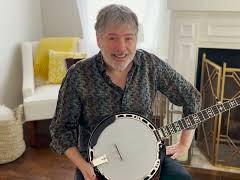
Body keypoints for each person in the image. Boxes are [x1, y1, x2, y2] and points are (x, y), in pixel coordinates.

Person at [49, 4, 201, 180]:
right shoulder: (78, 75)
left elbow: (191, 96)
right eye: (112, 38)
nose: (121, 48)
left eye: (128, 38)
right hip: (97, 164)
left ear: (136, 39)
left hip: (146, 156)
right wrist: (82, 165)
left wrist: (184, 144)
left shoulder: (150, 65)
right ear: (99, 40)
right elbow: (61, 130)